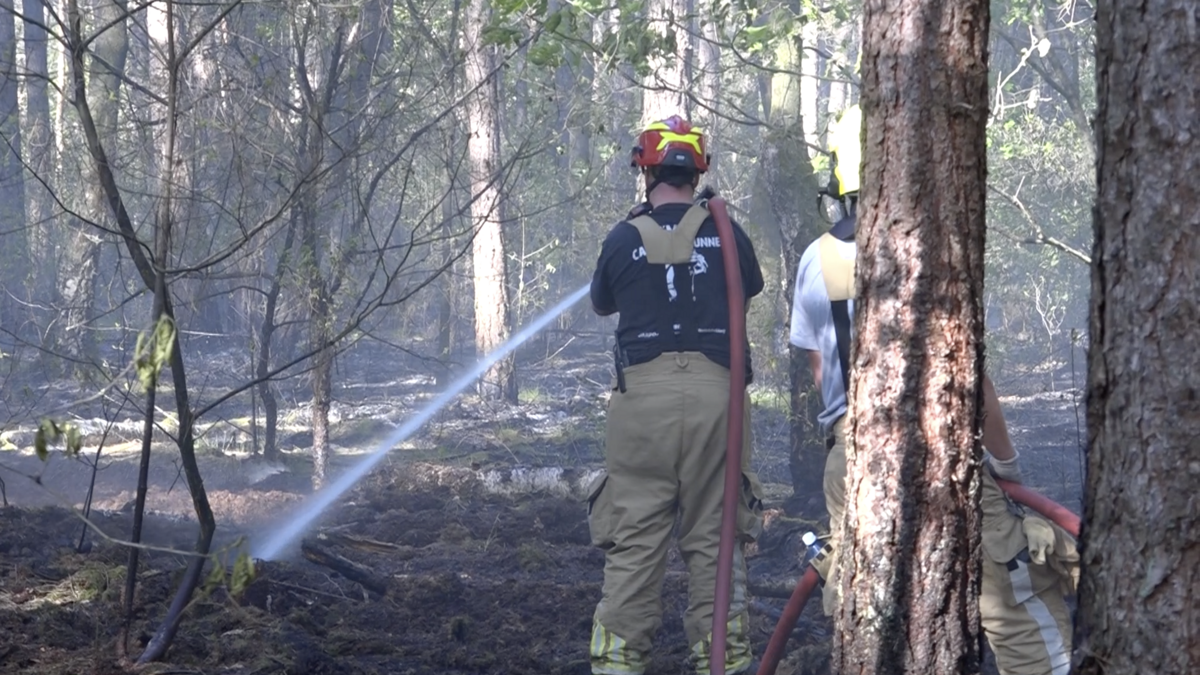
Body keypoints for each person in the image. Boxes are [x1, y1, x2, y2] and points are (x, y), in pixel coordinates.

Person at [789, 105, 1080, 675]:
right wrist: (1008, 468)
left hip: (851, 460)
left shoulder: (812, 261)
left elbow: (821, 372)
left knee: (870, 616)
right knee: (1017, 601)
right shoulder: (935, 250)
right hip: (942, 445)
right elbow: (975, 381)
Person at [586, 116, 767, 675]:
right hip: (719, 403)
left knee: (636, 542)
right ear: (698, 171)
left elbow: (601, 302)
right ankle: (725, 661)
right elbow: (750, 287)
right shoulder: (727, 230)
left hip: (642, 409)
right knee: (716, 542)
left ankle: (618, 665)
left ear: (645, 169)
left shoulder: (622, 237)